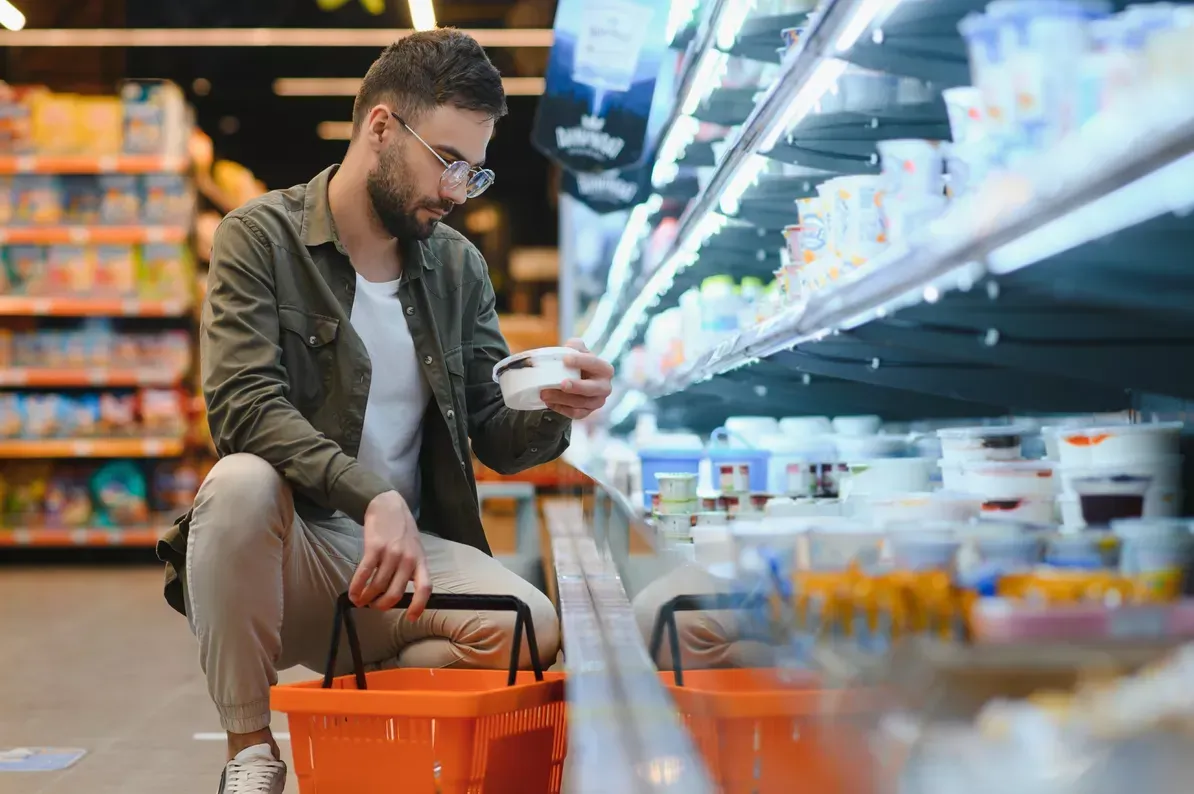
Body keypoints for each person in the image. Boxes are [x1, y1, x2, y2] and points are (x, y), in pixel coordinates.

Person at [155, 29, 614, 794]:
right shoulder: (260, 238)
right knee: (238, 482)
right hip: (296, 551)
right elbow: (242, 408)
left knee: (530, 628)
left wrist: (555, 405)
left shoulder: (457, 265)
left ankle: (364, 714)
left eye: (476, 170)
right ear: (380, 128)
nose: (460, 190)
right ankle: (251, 753)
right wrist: (376, 497)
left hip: (406, 570)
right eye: (448, 161)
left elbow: (493, 433)